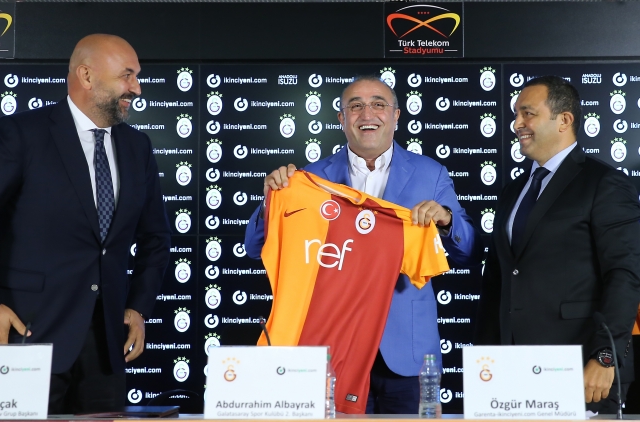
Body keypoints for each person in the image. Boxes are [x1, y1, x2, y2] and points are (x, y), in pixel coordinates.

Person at [0, 34, 171, 414]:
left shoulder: (138, 147)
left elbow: (155, 237)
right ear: (86, 75)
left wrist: (138, 308)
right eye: (127, 75)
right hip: (22, 339)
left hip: (106, 351)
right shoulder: (22, 134)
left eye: (137, 76)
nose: (137, 88)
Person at [245, 75, 483, 413]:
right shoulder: (312, 178)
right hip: (333, 349)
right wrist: (271, 200)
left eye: (378, 104)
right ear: (341, 119)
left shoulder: (430, 174)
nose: (367, 114)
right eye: (355, 106)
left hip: (406, 355)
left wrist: (446, 220)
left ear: (396, 115)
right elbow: (255, 248)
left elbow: (469, 252)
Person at [475, 75, 640, 411]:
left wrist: (605, 356)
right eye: (516, 114)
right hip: (508, 369)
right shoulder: (513, 190)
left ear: (564, 120)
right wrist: (485, 358)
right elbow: (499, 279)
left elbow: (625, 274)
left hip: (581, 368)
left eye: (528, 113)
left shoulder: (604, 183)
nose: (517, 124)